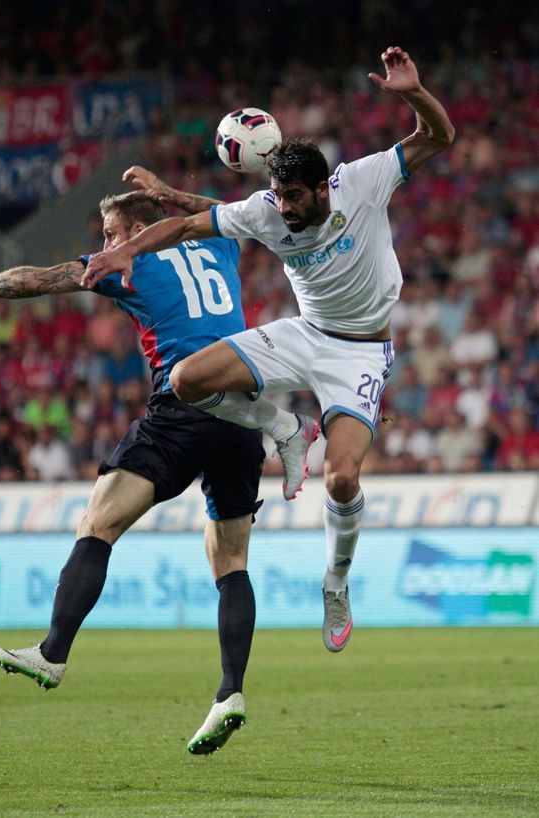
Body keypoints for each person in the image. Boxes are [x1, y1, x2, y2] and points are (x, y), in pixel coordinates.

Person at [84, 46, 455, 654]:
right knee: (186, 380)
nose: (282, 208)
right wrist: (128, 250)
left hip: (360, 352)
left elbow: (438, 135)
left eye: (293, 198)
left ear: (321, 187)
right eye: (276, 197)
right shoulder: (265, 209)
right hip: (304, 333)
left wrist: (413, 91)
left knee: (340, 479)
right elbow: (185, 226)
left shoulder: (364, 180)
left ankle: (336, 583)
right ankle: (286, 428)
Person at [0, 190, 288, 756]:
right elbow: (229, 211)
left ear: (138, 228)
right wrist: (174, 195)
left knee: (98, 523)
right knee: (232, 562)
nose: (107, 245)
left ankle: (54, 652)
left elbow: (40, 279)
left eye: (112, 233)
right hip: (241, 412)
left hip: (183, 406)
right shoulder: (220, 243)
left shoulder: (131, 261)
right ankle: (230, 692)